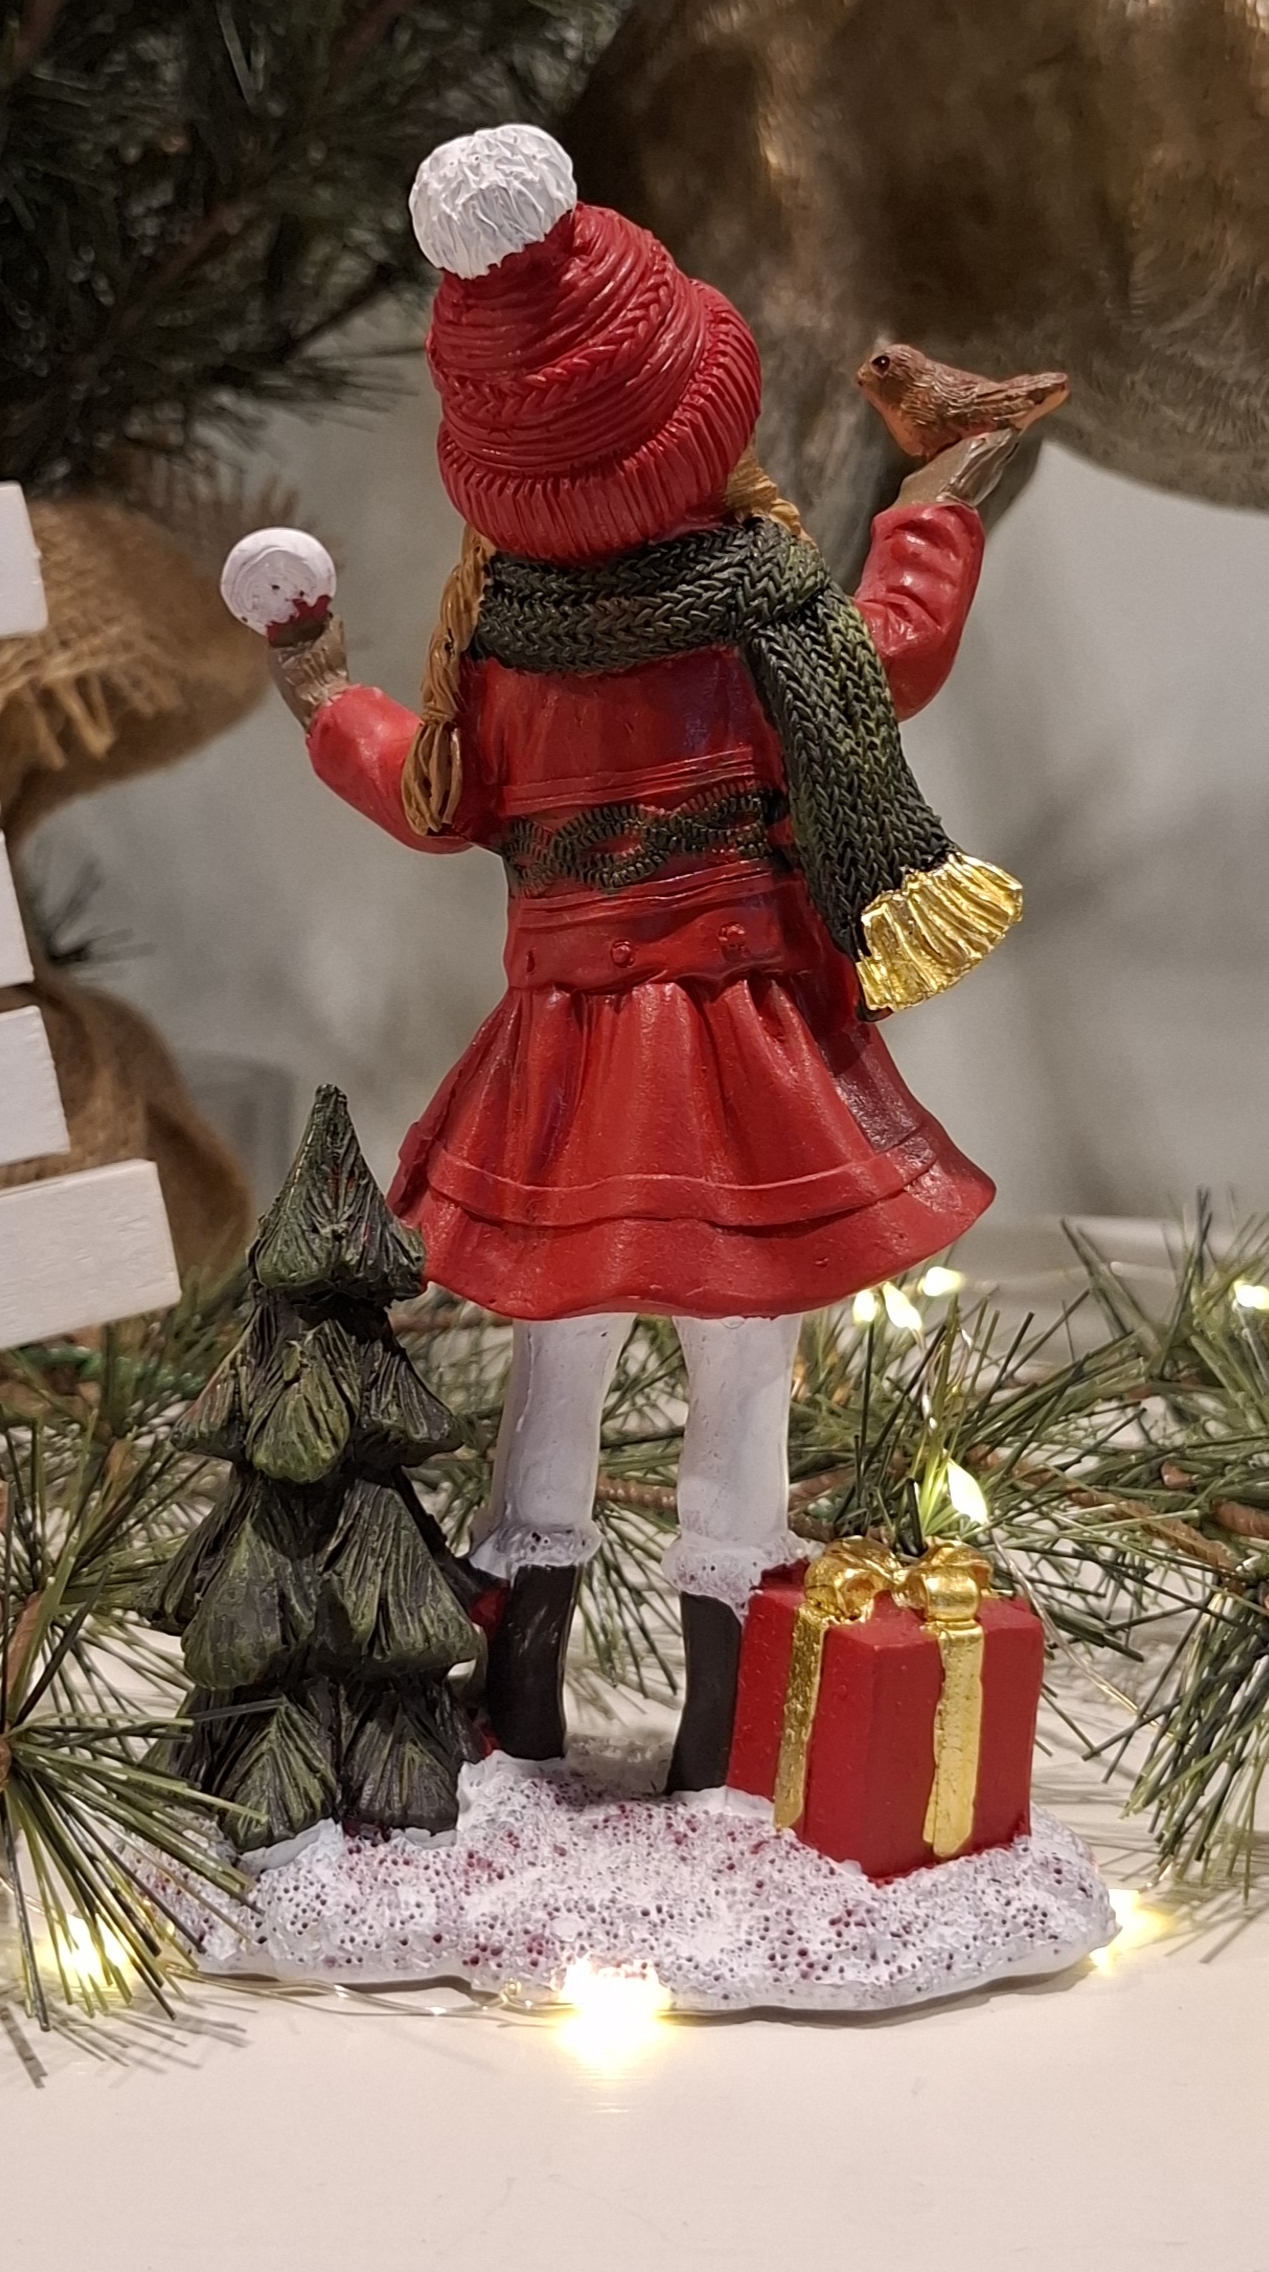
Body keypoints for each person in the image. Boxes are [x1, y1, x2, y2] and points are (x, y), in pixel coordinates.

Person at [262, 124, 1023, 1787]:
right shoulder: (771, 614)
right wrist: (934, 504)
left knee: (559, 1363)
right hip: (739, 1060)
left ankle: (519, 1701)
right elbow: (895, 652)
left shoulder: (502, 643)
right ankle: (722, 1743)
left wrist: (319, 689)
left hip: (562, 1065)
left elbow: (429, 793)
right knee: (742, 1375)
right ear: (705, 409)